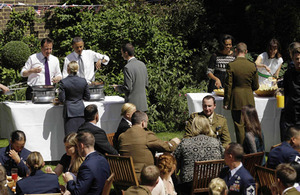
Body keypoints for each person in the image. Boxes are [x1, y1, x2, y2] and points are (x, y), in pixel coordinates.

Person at [118, 111, 180, 179]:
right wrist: (174, 142)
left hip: (124, 176)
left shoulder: (122, 136)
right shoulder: (146, 135)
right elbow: (168, 148)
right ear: (143, 123)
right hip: (143, 176)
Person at [174, 115, 224, 195]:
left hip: (189, 184)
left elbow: (175, 162)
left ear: (194, 127)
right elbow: (223, 159)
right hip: (212, 183)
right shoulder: (216, 142)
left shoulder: (185, 143)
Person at [223, 42, 259, 144]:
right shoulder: (252, 65)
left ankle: (241, 150)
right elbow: (256, 86)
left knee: (239, 126)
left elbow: (228, 86)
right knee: (250, 125)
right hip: (249, 99)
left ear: (235, 51)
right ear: (246, 52)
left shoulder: (231, 65)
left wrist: (226, 102)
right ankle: (252, 148)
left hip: (236, 99)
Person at [113, 43, 149, 111]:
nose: (121, 55)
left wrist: (118, 88)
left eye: (122, 53)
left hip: (132, 106)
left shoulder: (127, 67)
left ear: (126, 53)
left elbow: (128, 88)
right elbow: (146, 83)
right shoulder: (142, 64)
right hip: (143, 104)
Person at [59, 61, 90, 135]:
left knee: (70, 138)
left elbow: (61, 99)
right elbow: (87, 97)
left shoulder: (63, 82)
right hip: (81, 111)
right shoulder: (83, 81)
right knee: (81, 137)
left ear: (68, 69)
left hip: (69, 112)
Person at [281, 47, 300, 133]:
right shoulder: (288, 74)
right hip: (291, 110)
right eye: (297, 59)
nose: (299, 61)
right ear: (292, 59)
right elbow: (286, 91)